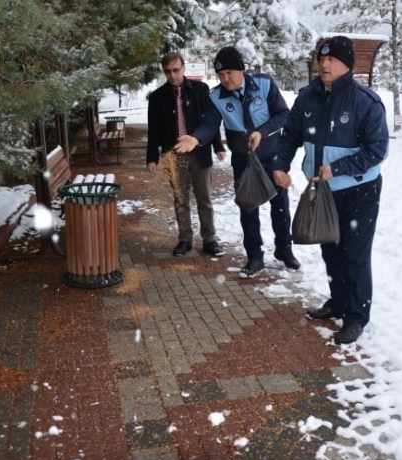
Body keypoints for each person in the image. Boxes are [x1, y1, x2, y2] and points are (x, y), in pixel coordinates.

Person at [273, 36, 389, 344]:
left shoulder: (365, 101)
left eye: (332, 59)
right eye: (321, 59)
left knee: (355, 256)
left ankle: (356, 316)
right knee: (331, 251)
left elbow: (377, 150)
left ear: (346, 65)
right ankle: (338, 302)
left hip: (358, 191)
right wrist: (280, 165)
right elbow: (289, 137)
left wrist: (337, 169)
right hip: (322, 191)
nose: (324, 64)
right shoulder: (308, 97)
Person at [174, 46, 300, 277]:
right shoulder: (216, 96)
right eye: (221, 75)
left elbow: (284, 115)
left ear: (241, 70)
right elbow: (210, 124)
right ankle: (255, 257)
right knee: (248, 208)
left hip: (272, 157)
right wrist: (196, 137)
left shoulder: (264, 84)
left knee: (280, 206)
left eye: (230, 73)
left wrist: (261, 132)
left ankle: (284, 248)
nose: (225, 79)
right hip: (243, 161)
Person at [146, 52, 227, 257]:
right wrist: (151, 158)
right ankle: (185, 239)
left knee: (204, 198)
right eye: (168, 72)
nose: (172, 75)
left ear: (184, 68)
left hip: (199, 152)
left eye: (176, 70)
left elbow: (210, 121)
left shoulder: (200, 90)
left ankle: (210, 239)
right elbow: (153, 130)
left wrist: (217, 146)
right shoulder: (157, 98)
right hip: (173, 155)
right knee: (180, 198)